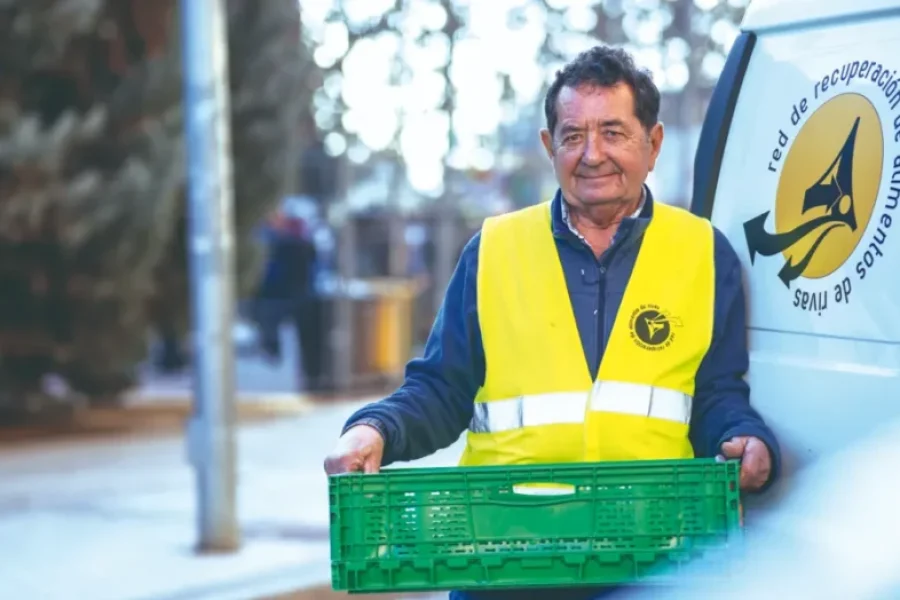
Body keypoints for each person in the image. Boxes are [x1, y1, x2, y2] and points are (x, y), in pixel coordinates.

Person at [324, 45, 781, 600]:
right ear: (549, 146)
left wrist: (745, 439)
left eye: (613, 132)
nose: (592, 154)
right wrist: (374, 428)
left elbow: (715, 393)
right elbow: (441, 389)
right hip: (505, 564)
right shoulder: (493, 250)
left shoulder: (704, 254)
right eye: (572, 136)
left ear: (653, 143)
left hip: (653, 561)